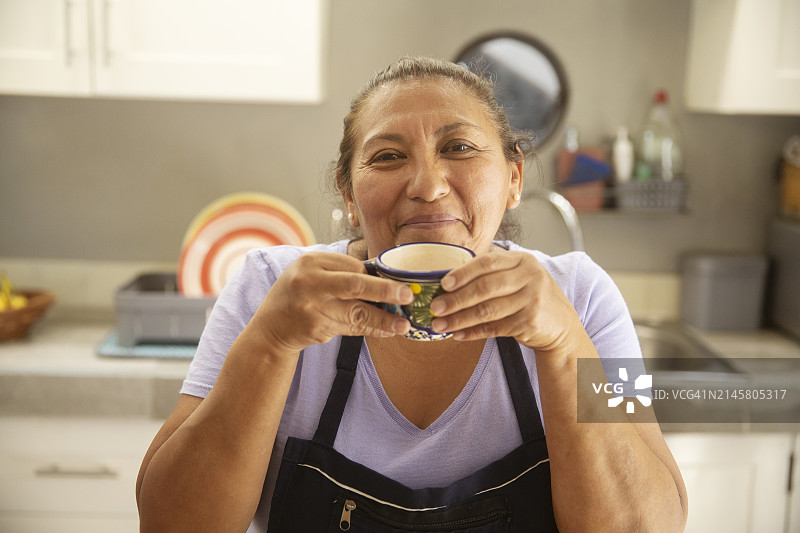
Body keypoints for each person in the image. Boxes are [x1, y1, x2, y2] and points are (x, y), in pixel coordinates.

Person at [136, 56, 687, 532]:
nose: (427, 186)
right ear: (349, 196)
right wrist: (270, 343)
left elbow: (647, 524)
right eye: (387, 157)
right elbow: (170, 523)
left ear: (514, 179)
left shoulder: (582, 297)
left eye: (460, 147)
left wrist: (566, 345)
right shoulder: (267, 286)